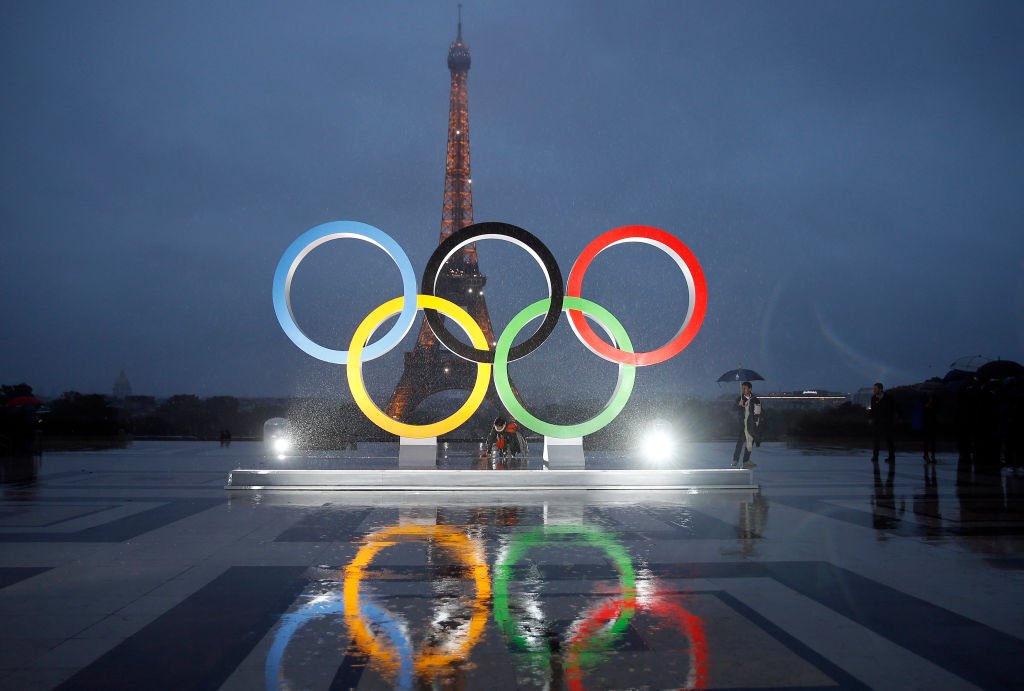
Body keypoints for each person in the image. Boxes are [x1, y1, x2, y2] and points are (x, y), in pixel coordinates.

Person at [732, 381, 762, 468]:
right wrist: (739, 405)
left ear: (750, 389)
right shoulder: (740, 399)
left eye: (744, 388)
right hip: (743, 424)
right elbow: (734, 408)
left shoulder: (755, 399)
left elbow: (759, 411)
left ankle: (746, 460)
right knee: (740, 442)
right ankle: (735, 460)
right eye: (742, 388)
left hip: (752, 424)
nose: (743, 390)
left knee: (749, 443)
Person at [869, 382, 896, 464]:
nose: (874, 390)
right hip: (877, 421)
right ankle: (875, 457)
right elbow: (872, 409)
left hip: (887, 421)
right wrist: (870, 417)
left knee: (889, 440)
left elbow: (894, 408)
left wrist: (894, 419)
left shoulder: (888, 398)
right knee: (876, 440)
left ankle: (892, 457)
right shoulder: (874, 398)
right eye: (873, 389)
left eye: (875, 389)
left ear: (880, 389)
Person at [921, 393, 939, 464]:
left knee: (933, 441)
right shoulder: (925, 400)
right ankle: (926, 455)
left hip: (932, 422)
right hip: (927, 423)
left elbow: (937, 410)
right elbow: (924, 408)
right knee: (927, 440)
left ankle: (932, 455)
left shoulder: (936, 401)